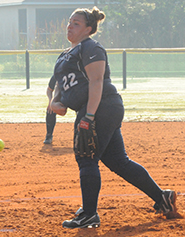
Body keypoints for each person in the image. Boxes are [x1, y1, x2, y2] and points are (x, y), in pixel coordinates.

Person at [50, 6, 178, 229]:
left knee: (87, 158)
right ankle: (162, 198)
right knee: (119, 162)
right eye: (69, 22)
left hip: (100, 106)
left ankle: (89, 214)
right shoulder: (64, 56)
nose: (70, 26)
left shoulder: (90, 47)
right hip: (96, 108)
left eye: (76, 23)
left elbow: (97, 81)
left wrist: (88, 116)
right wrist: (53, 102)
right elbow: (54, 89)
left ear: (89, 29)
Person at [43, 76, 57, 144]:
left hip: (75, 98)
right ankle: (49, 135)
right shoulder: (59, 72)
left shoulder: (79, 72)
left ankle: (82, 136)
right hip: (61, 98)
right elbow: (49, 90)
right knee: (50, 110)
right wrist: (50, 101)